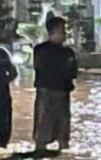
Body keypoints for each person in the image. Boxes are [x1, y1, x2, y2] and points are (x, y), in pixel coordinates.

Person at [32, 16, 78, 152]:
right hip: (47, 94)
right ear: (52, 31)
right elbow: (42, 69)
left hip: (63, 94)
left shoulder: (68, 52)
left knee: (63, 133)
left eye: (65, 30)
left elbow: (73, 73)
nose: (64, 33)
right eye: (62, 30)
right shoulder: (41, 50)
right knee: (42, 132)